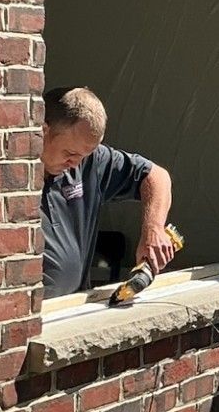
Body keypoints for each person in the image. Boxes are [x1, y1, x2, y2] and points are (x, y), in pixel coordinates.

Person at [39, 86, 177, 297]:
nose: (75, 163)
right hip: (24, 319)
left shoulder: (89, 162)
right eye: (70, 153)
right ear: (43, 131)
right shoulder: (2, 182)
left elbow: (156, 176)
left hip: (71, 309)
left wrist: (153, 229)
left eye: (85, 155)